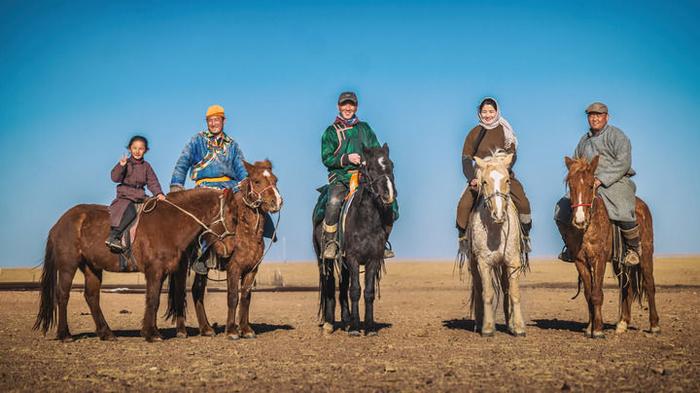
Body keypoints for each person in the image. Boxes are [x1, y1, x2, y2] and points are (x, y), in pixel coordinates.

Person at [555, 102, 641, 266]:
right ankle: (571, 246)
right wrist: (581, 176)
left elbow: (624, 162)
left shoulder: (617, 136)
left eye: (599, 115)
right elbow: (576, 163)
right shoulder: (584, 140)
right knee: (560, 209)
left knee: (623, 206)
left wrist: (601, 179)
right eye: (591, 115)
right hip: (588, 183)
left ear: (606, 117)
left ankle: (633, 248)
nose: (595, 119)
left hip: (615, 180)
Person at [170, 104, 250, 274]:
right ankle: (200, 253)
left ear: (223, 121)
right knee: (202, 217)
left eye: (217, 120)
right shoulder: (197, 140)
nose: (213, 123)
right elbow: (183, 162)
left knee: (248, 211)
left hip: (228, 187)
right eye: (210, 120)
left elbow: (241, 168)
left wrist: (246, 184)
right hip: (204, 189)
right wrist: (177, 185)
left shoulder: (232, 145)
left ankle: (248, 256)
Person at [320, 91, 396, 259]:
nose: (348, 108)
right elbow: (326, 158)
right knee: (333, 203)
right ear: (339, 107)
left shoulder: (365, 128)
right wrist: (347, 158)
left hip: (364, 178)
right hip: (341, 178)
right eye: (344, 104)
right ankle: (331, 243)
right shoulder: (331, 132)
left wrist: (372, 162)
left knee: (390, 202)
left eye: (351, 104)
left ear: (356, 107)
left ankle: (382, 243)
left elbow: (376, 150)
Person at [456, 97, 532, 252]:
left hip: (503, 174)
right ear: (479, 113)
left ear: (497, 111)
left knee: (523, 202)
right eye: (484, 112)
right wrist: (472, 178)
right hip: (481, 175)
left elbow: (513, 153)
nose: (488, 115)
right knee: (463, 205)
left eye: (491, 111)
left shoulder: (506, 130)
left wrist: (503, 168)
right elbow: (466, 159)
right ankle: (463, 239)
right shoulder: (474, 133)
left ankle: (524, 238)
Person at [106, 135, 165, 252]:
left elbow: (152, 182)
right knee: (131, 212)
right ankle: (114, 236)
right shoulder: (125, 163)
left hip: (140, 197)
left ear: (146, 150)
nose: (137, 151)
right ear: (129, 149)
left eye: (141, 149)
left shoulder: (146, 166)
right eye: (135, 148)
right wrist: (121, 166)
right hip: (125, 197)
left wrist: (158, 193)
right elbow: (115, 178)